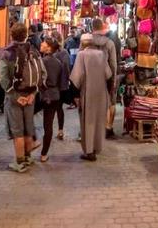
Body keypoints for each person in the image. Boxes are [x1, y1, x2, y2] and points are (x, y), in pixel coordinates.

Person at [0, 23, 43, 173]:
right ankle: (29, 157)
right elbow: (42, 74)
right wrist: (33, 94)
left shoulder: (7, 53)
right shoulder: (34, 51)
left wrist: (14, 96)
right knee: (28, 128)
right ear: (25, 35)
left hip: (14, 97)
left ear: (11, 35)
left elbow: (3, 78)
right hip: (30, 96)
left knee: (17, 131)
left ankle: (19, 162)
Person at [71, 33, 112, 161]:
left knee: (88, 121)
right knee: (99, 121)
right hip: (101, 93)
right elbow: (108, 74)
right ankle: (96, 147)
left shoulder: (81, 55)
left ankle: (89, 151)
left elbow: (77, 76)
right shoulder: (101, 54)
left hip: (87, 92)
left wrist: (75, 96)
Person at [88, 19, 118, 138]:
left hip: (91, 77)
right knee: (110, 103)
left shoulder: (86, 42)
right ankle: (107, 127)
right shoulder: (109, 43)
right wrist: (114, 80)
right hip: (106, 77)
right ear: (102, 27)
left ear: (92, 28)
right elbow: (113, 64)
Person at [38, 38, 67, 161]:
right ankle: (44, 154)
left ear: (49, 48)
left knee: (27, 119)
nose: (41, 43)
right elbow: (62, 84)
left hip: (42, 94)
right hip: (54, 95)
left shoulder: (41, 62)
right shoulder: (59, 63)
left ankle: (30, 145)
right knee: (48, 126)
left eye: (44, 42)